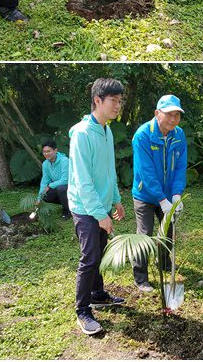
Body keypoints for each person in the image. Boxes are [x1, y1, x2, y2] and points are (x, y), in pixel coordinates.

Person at [68, 78, 127, 336]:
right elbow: (83, 181)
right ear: (97, 101)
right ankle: (82, 310)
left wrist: (116, 199)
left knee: (100, 255)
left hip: (102, 205)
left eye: (120, 101)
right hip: (85, 207)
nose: (118, 106)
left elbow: (108, 170)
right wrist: (100, 215)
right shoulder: (81, 134)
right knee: (90, 258)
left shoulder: (106, 130)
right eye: (113, 101)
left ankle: (98, 294)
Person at [130, 95, 187, 294]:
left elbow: (180, 167)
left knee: (168, 233)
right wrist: (162, 199)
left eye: (177, 115)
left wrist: (177, 194)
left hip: (169, 195)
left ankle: (163, 263)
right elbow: (146, 171)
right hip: (145, 195)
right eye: (169, 115)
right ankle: (141, 278)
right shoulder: (143, 135)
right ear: (157, 113)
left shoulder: (178, 135)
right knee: (144, 235)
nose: (173, 119)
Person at [37, 139, 70, 218]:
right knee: (45, 196)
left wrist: (49, 186)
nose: (46, 154)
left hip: (71, 187)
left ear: (55, 150)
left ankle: (68, 211)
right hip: (59, 188)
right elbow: (44, 181)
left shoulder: (64, 161)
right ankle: (66, 202)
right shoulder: (45, 164)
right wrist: (39, 197)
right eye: (44, 151)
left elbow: (65, 180)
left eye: (48, 151)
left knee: (61, 189)